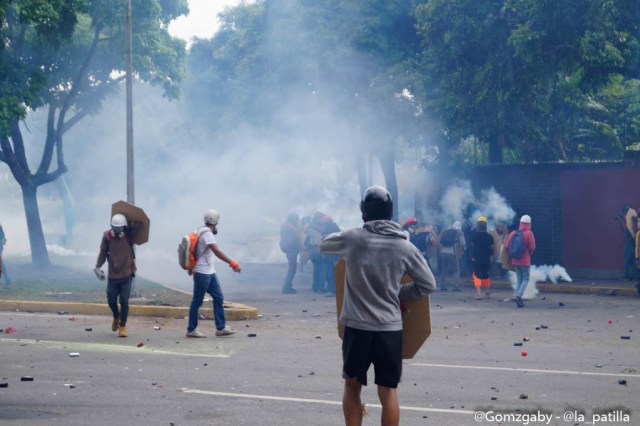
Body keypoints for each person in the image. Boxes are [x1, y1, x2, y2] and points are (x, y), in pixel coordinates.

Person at [319, 186, 436, 426]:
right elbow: (427, 284)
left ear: (364, 212)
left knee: (352, 386)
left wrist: (351, 235)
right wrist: (400, 292)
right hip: (390, 330)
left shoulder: (352, 239)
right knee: (388, 391)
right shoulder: (405, 246)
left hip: (357, 327)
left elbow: (322, 245)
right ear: (390, 213)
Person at [185, 209, 241, 338]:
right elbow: (217, 251)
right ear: (215, 221)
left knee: (218, 297)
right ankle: (191, 329)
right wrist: (232, 263)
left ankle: (221, 328)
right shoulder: (207, 234)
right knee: (197, 301)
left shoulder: (200, 230)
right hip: (202, 273)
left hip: (209, 272)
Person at [94, 213, 141, 337]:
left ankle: (123, 325)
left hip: (127, 274)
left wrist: (132, 222)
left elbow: (140, 226)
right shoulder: (107, 236)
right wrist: (98, 267)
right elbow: (103, 252)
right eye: (115, 228)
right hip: (113, 275)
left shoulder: (129, 235)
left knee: (124, 301)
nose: (117, 230)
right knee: (111, 300)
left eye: (120, 228)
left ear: (124, 227)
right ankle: (116, 315)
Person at [504, 214, 536, 308]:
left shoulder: (514, 233)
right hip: (525, 260)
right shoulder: (529, 233)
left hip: (515, 260)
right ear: (529, 224)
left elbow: (506, 246)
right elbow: (533, 247)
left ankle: (518, 296)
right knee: (526, 278)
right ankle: (518, 296)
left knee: (519, 278)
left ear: (521, 223)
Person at [437, 221, 465, 292]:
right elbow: (462, 243)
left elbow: (440, 242)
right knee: (456, 269)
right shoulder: (460, 232)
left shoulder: (446, 231)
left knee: (444, 269)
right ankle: (455, 287)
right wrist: (462, 250)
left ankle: (442, 286)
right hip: (452, 253)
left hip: (443, 252)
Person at [471, 216, 494, 299]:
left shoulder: (474, 236)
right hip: (487, 258)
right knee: (486, 274)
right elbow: (492, 248)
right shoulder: (490, 237)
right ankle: (487, 292)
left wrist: (473, 257)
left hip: (477, 258)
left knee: (476, 274)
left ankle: (478, 294)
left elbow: (473, 247)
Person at [280, 212, 301, 294]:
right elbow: (291, 240)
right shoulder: (289, 228)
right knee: (292, 269)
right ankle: (286, 287)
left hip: (290, 249)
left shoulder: (287, 226)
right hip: (291, 250)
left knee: (292, 268)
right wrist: (296, 247)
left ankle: (288, 286)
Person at [305, 212, 326, 293]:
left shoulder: (311, 226)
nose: (322, 220)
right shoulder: (317, 228)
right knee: (323, 268)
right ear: (318, 219)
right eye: (321, 218)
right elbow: (319, 239)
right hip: (317, 249)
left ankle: (315, 286)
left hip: (313, 250)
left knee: (316, 269)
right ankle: (320, 288)